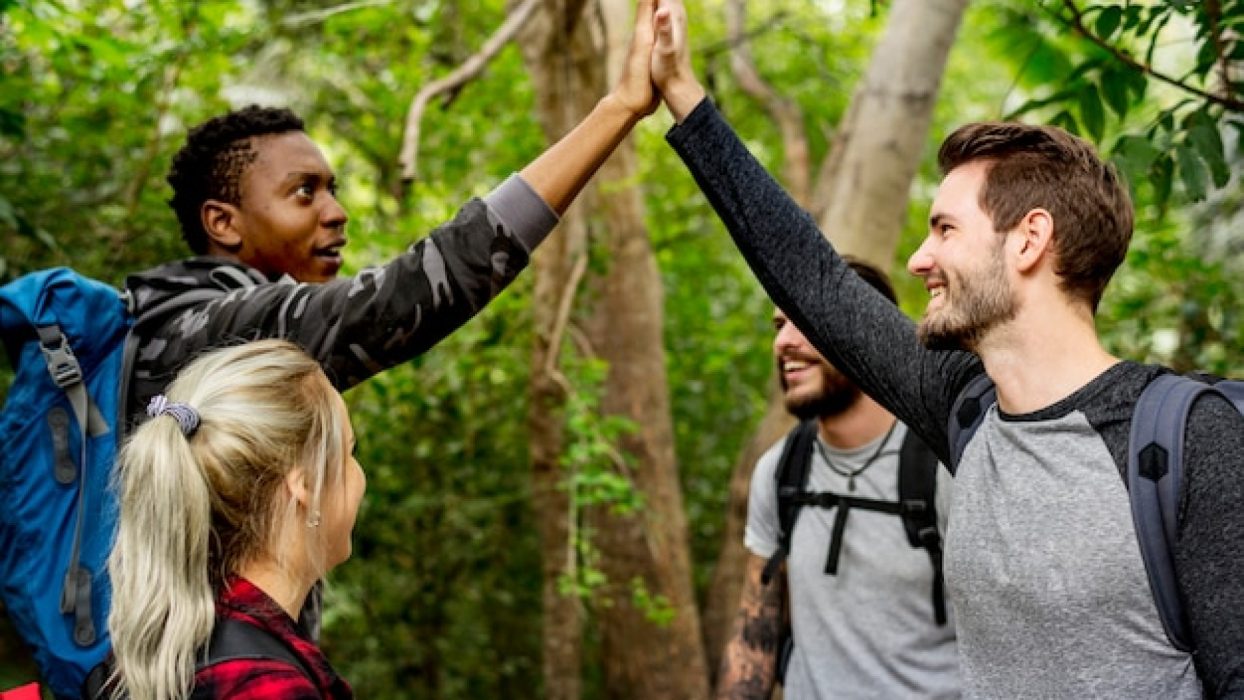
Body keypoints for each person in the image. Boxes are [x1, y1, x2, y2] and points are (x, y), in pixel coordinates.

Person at [648, 1, 1244, 697]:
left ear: (1028, 239)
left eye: (944, 230)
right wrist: (683, 95)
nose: (919, 258)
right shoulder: (965, 409)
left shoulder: (1190, 439)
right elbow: (818, 283)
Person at [119, 0, 659, 638]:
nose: (336, 211)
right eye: (304, 192)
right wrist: (619, 107)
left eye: (333, 188)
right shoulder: (212, 337)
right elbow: (402, 297)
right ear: (223, 222)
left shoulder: (178, 317)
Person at [718, 258, 959, 699]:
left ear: (867, 332)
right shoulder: (780, 469)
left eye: (805, 321)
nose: (784, 343)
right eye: (778, 325)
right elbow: (755, 634)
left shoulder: (943, 469)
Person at [106, 339, 362, 699]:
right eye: (350, 451)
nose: (358, 474)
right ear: (305, 484)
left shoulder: (171, 654)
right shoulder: (263, 687)